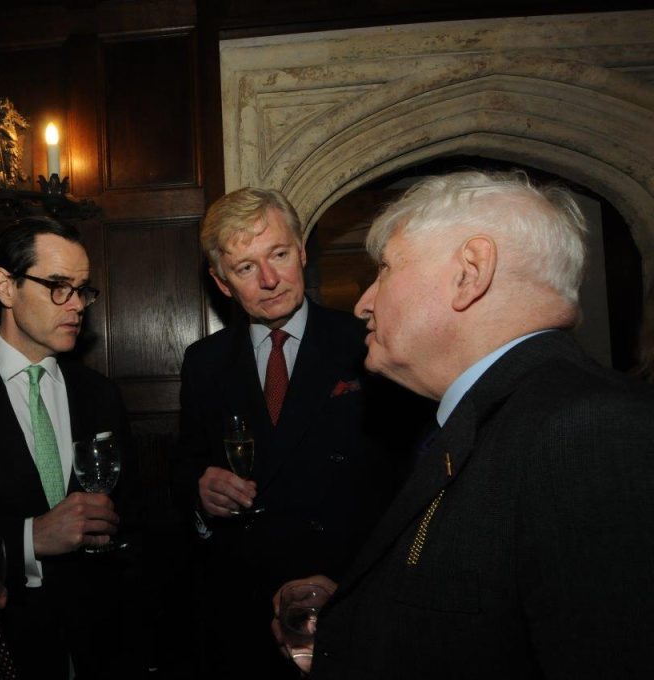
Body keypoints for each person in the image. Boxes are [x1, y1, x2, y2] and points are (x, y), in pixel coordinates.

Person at [276, 170, 654, 678]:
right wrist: (365, 615)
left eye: (384, 269)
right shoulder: (505, 413)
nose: (364, 301)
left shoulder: (589, 431)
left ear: (470, 272)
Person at [173, 188, 419, 679]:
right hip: (243, 608)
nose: (269, 280)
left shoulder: (365, 341)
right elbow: (186, 467)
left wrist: (354, 580)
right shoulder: (204, 363)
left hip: (350, 594)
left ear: (303, 251)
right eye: (245, 268)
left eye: (279, 255)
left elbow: (407, 479)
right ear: (222, 284)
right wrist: (201, 491)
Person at [0, 217, 141, 680]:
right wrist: (30, 539)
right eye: (58, 286)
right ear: (6, 287)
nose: (76, 305)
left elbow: (133, 520)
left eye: (82, 290)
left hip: (99, 645)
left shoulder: (101, 395)